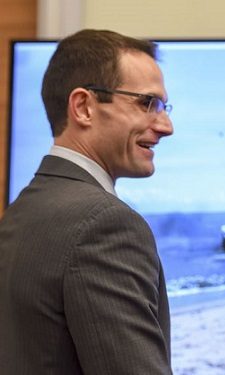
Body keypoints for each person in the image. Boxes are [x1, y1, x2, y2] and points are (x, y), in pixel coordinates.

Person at [0, 29, 174, 374]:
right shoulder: (106, 224)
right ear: (83, 107)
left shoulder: (22, 210)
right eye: (147, 103)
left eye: (164, 107)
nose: (166, 125)